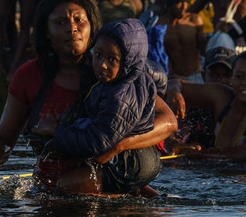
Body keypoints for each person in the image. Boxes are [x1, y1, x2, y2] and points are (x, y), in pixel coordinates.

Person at [0, 0, 176, 186]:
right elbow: (4, 138)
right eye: (60, 23)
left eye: (79, 20)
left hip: (112, 173)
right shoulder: (28, 76)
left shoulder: (111, 72)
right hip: (58, 182)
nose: (72, 28)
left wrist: (119, 145)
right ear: (46, 32)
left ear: (92, 26)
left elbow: (168, 122)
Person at [30, 18, 162, 195]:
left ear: (129, 62)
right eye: (98, 55)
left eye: (112, 59)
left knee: (58, 187)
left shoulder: (119, 98)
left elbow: (96, 143)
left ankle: (124, 194)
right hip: (136, 157)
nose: (102, 65)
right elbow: (158, 74)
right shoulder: (132, 74)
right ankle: (139, 193)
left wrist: (56, 130)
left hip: (131, 162)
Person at [166, 50, 246, 159]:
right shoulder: (223, 97)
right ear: (231, 78)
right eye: (239, 77)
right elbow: (176, 83)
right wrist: (174, 91)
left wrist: (203, 153)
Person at [158, 0, 206, 81]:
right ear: (169, 4)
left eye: (186, 2)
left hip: (196, 75)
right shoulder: (160, 26)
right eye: (179, 2)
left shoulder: (195, 20)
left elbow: (204, 50)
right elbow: (162, 55)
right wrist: (171, 77)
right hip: (173, 78)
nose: (184, 7)